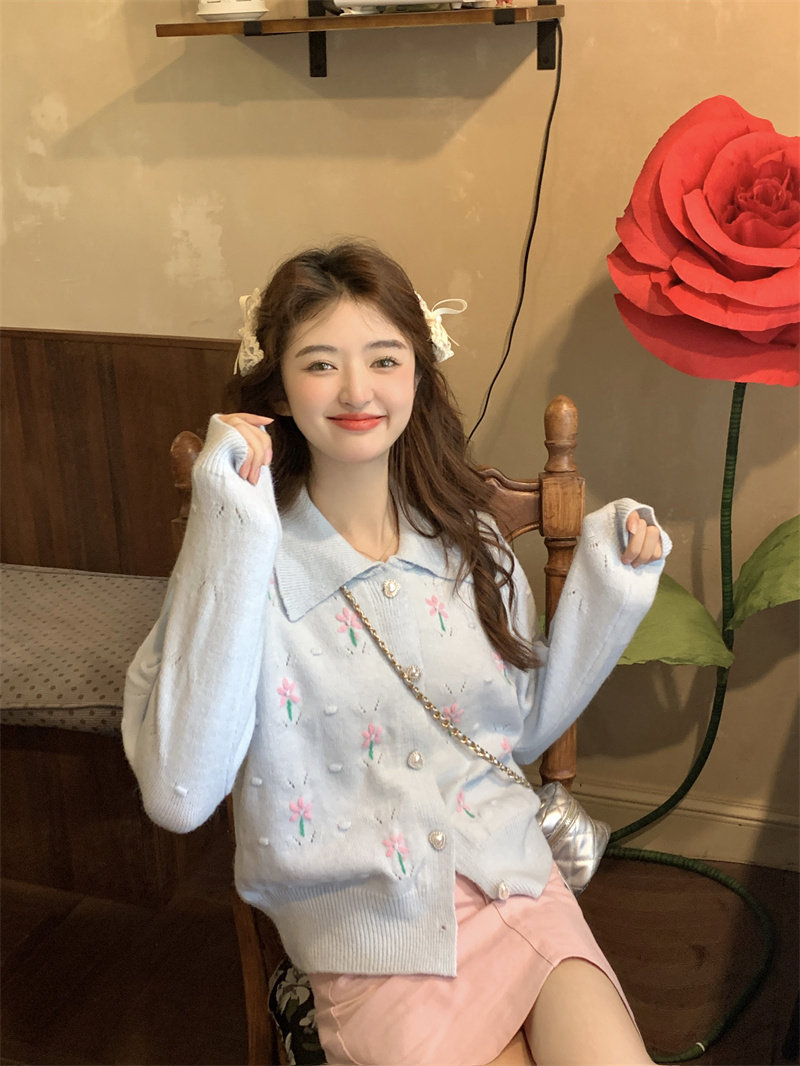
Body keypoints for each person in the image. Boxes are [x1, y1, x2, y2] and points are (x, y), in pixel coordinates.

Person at [123, 240, 669, 1066]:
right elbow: (179, 793)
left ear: (417, 372)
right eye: (321, 364)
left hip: (519, 889)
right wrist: (229, 524)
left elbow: (520, 731)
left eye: (384, 359)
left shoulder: (469, 539)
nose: (356, 391)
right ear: (278, 389)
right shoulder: (245, 568)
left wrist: (611, 586)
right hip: (371, 947)